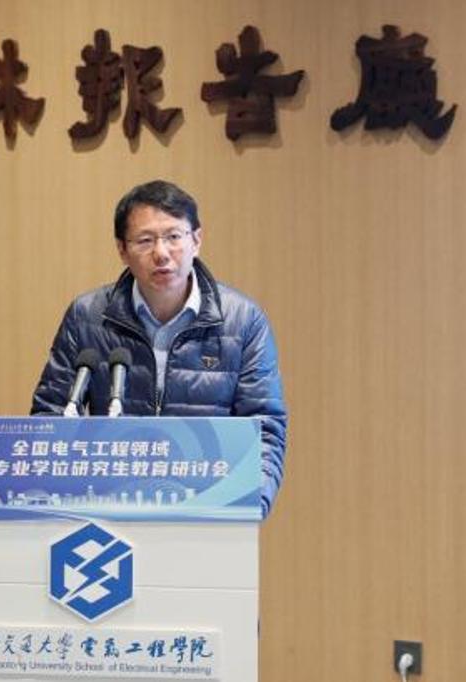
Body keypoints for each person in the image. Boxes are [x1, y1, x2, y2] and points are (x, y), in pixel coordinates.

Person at [30, 180, 288, 516]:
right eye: (145, 240)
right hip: (108, 508)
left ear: (197, 240)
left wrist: (248, 508)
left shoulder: (242, 321)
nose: (162, 253)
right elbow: (51, 417)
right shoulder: (87, 317)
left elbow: (264, 428)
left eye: (174, 237)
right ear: (122, 250)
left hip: (208, 513)